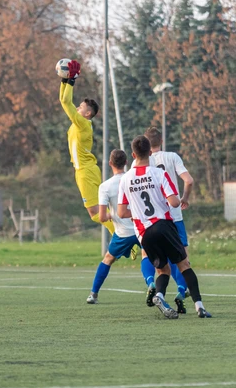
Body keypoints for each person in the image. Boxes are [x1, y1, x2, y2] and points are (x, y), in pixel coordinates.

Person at [118, 136, 212, 319]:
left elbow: (121, 212)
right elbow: (174, 202)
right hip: (163, 225)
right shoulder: (158, 173)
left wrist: (139, 213)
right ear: (150, 153)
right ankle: (199, 307)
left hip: (144, 233)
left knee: (162, 270)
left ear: (133, 154)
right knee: (184, 265)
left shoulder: (126, 179)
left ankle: (159, 295)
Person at [141, 126, 194, 313]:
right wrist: (184, 198)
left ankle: (151, 283)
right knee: (182, 259)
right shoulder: (172, 157)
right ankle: (181, 293)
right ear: (161, 141)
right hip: (174, 216)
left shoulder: (141, 162)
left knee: (148, 256)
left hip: (151, 219)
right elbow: (188, 180)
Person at [59, 59, 115, 236]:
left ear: (88, 113)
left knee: (95, 213)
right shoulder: (79, 123)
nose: (77, 108)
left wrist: (72, 80)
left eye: (81, 107)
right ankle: (125, 234)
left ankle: (125, 239)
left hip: (85, 171)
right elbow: (63, 100)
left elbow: (66, 103)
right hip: (85, 170)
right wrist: (65, 79)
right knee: (100, 211)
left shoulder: (82, 123)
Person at [86, 149, 149, 304]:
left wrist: (112, 214)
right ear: (126, 162)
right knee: (148, 256)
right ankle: (152, 285)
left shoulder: (105, 186)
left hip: (123, 233)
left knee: (108, 259)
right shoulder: (134, 179)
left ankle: (93, 294)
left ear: (110, 163)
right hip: (142, 228)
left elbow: (101, 217)